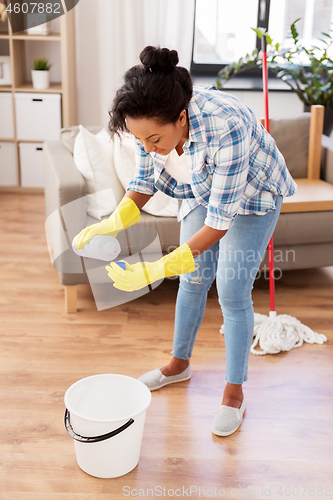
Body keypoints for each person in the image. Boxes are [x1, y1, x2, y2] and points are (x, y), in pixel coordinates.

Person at [74, 46, 297, 437]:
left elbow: (219, 222)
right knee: (192, 279)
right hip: (203, 188)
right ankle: (179, 364)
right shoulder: (153, 125)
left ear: (181, 118)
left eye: (154, 139)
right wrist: (111, 222)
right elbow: (143, 182)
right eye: (140, 139)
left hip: (254, 197)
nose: (148, 147)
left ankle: (234, 393)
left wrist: (157, 267)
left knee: (231, 290)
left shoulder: (225, 125)